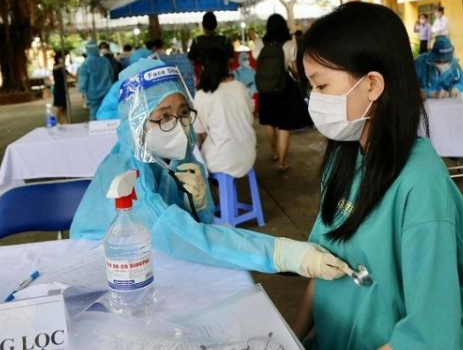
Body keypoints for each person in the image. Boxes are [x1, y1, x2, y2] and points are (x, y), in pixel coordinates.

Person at [294, 1, 463, 350]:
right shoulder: (344, 157)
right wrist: (287, 339)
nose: (314, 100)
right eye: (310, 88)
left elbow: (428, 332)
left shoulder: (420, 183)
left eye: (321, 87)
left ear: (372, 85)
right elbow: (320, 266)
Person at [71, 58, 349, 280]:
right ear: (136, 122)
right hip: (108, 269)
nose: (179, 125)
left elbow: (197, 224)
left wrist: (200, 201)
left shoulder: (175, 155)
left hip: (158, 255)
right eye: (163, 116)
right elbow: (187, 235)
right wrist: (282, 253)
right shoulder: (129, 176)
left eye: (182, 112)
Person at [256, 14, 311, 173]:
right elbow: (294, 68)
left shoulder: (260, 44)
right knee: (284, 126)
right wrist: (298, 77)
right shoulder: (289, 43)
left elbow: (257, 62)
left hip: (265, 88)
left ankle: (273, 151)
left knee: (270, 122)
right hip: (283, 87)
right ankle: (281, 162)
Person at [193, 47, 256, 178]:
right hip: (249, 156)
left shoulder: (202, 94)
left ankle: (220, 192)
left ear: (204, 68)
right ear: (227, 65)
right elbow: (249, 119)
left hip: (221, 160)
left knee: (194, 161)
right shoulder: (240, 87)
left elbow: (200, 132)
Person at [188, 12, 234, 80]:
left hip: (204, 78)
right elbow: (231, 60)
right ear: (216, 24)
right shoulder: (225, 40)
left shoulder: (197, 41)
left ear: (203, 25)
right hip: (223, 77)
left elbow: (191, 60)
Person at [77, 40, 113, 119]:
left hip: (92, 92)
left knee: (94, 112)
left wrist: (82, 90)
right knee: (106, 111)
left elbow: (83, 79)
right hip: (106, 90)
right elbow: (111, 75)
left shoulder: (85, 63)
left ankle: (96, 128)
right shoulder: (105, 61)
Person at [52, 51, 76, 124]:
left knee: (64, 107)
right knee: (60, 106)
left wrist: (78, 77)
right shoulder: (56, 66)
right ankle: (57, 121)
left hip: (63, 88)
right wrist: (61, 65)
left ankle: (66, 121)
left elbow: (70, 75)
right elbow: (55, 68)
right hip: (58, 88)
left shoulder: (63, 68)